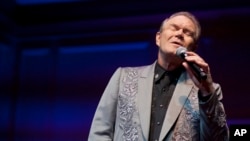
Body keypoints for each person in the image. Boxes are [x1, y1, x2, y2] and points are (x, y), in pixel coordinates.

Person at [88, 11, 229, 141]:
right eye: (174, 28)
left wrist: (207, 92)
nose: (179, 34)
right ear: (158, 38)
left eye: (187, 33)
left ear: (193, 48)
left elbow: (218, 139)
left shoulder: (210, 91)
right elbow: (99, 133)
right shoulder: (123, 77)